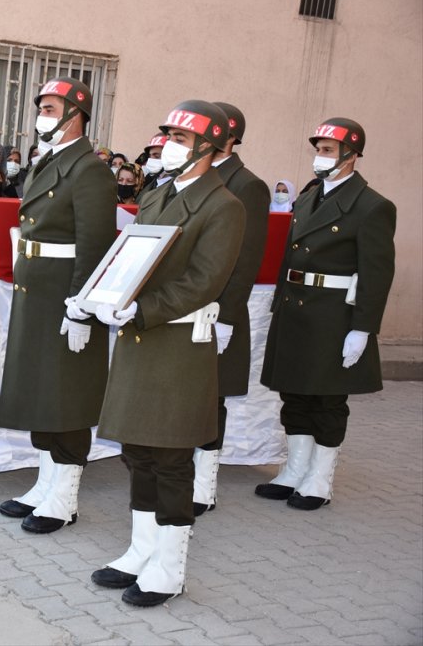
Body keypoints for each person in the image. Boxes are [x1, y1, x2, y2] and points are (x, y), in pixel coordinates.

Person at [89, 100, 245, 607]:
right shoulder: (157, 195)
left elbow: (205, 281)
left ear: (207, 148)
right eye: (169, 136)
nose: (169, 146)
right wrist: (102, 296)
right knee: (137, 450)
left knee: (171, 458)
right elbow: (129, 257)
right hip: (140, 337)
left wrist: (140, 309)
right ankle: (141, 550)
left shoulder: (224, 206)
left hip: (175, 342)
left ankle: (170, 569)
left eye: (181, 138)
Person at [0, 78, 115, 533]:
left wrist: (81, 307)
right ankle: (46, 484)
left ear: (75, 114)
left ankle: (65, 498)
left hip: (64, 298)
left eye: (49, 107)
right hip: (37, 295)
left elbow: (95, 246)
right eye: (41, 107)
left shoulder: (89, 170)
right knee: (42, 395)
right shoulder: (52, 161)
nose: (41, 115)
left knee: (65, 399)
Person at [258, 118, 396, 511]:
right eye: (318, 149)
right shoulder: (307, 197)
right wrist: (279, 302)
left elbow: (376, 273)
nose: (320, 157)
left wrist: (363, 329)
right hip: (297, 310)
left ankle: (320, 478)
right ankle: (295, 469)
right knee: (294, 394)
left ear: (352, 156)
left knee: (328, 401)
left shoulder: (372, 206)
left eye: (329, 151)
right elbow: (290, 256)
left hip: (334, 316)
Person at [191, 102, 270, 515]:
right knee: (187, 394)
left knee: (211, 398)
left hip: (217, 310)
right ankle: (182, 472)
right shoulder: (192, 174)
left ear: (228, 136)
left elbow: (246, 259)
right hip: (186, 306)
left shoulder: (247, 185)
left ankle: (203, 485)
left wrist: (227, 315)